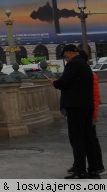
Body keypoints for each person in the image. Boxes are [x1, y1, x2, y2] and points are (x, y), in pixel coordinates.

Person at [49, 44, 99, 179]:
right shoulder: (84, 64)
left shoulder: (73, 64)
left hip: (75, 107)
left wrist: (54, 82)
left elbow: (63, 83)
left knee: (77, 139)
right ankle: (94, 170)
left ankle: (80, 170)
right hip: (86, 106)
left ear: (70, 52)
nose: (65, 58)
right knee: (88, 139)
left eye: (64, 55)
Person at [77, 50, 104, 175]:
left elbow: (94, 96)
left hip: (90, 112)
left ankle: (98, 166)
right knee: (90, 139)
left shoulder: (89, 74)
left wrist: (93, 114)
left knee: (91, 140)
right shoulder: (87, 73)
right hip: (90, 111)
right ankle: (95, 165)